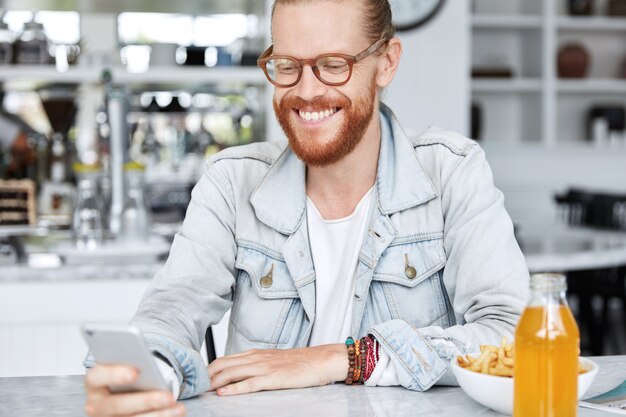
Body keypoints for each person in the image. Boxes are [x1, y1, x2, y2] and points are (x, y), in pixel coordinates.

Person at [84, 0, 529, 415]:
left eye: (333, 65)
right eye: (287, 66)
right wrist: (149, 375)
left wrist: (346, 359)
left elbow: (515, 337)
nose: (306, 91)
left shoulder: (450, 172)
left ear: (386, 63)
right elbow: (173, 306)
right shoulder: (231, 181)